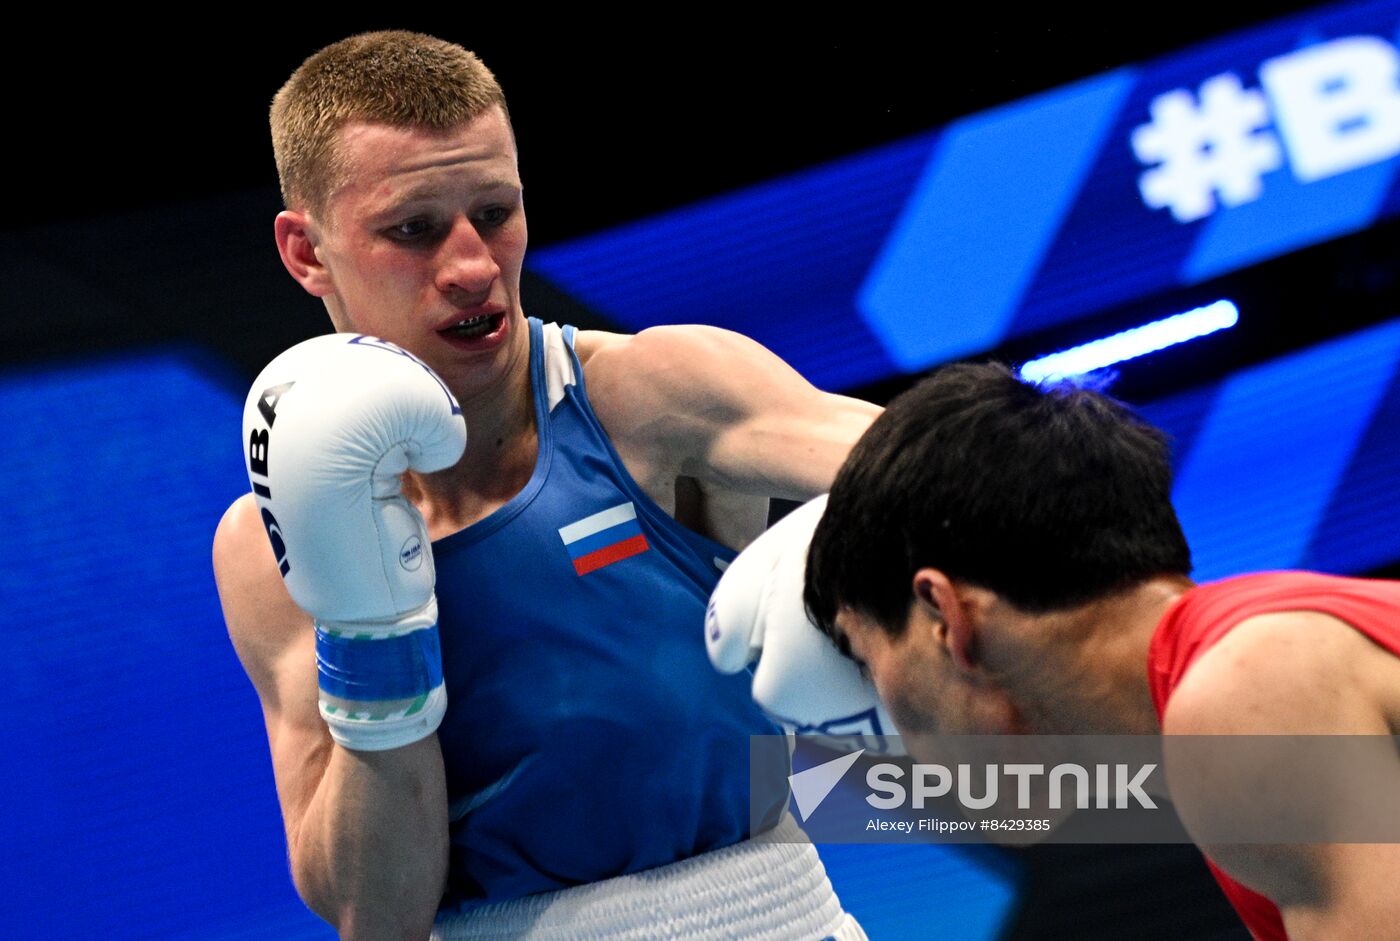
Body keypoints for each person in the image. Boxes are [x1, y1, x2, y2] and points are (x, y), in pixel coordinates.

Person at [211, 30, 881, 941]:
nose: (474, 266)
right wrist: (376, 638)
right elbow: (378, 913)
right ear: (307, 252)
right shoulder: (266, 546)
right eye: (413, 229)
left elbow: (945, 471)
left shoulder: (652, 395)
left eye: (494, 212)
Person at [795, 362, 1400, 940]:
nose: (883, 713)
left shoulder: (1246, 698)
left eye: (862, 657)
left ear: (944, 616)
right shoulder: (1262, 648)